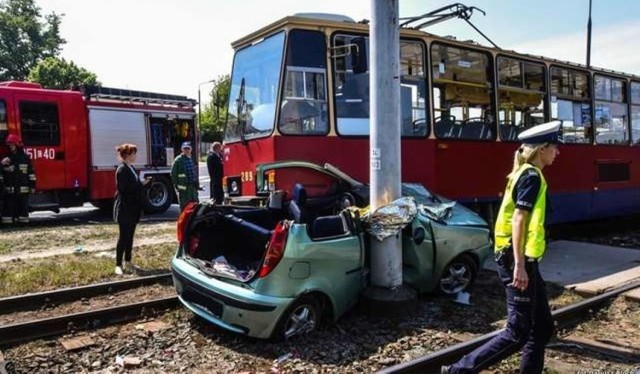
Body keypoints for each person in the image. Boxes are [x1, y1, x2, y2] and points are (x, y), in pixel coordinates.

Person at [442, 121, 562, 374]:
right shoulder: (530, 176)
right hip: (515, 259)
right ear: (542, 149)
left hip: (525, 258)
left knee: (541, 328)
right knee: (517, 332)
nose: (557, 152)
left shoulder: (525, 173)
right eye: (554, 147)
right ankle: (457, 371)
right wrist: (519, 265)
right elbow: (519, 219)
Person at [113, 143, 151, 275]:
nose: (135, 156)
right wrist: (139, 185)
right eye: (133, 153)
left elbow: (134, 186)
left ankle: (128, 261)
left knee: (130, 236)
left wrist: (142, 184)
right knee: (123, 237)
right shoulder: (122, 170)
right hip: (125, 208)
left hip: (133, 208)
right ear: (127, 155)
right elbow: (124, 189)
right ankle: (118, 264)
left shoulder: (131, 168)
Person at [1, 134, 36, 224]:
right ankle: (8, 224)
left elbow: (31, 173)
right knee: (8, 209)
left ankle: (23, 224)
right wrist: (1, 164)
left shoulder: (25, 158)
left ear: (17, 145)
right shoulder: (6, 158)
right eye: (9, 145)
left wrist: (32, 186)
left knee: (23, 208)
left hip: (23, 189)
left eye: (12, 145)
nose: (10, 147)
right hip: (10, 189)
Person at [171, 141, 199, 211]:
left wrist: (197, 185)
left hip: (192, 187)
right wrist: (177, 186)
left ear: (191, 149)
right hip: (184, 189)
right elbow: (173, 174)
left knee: (194, 206)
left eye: (188, 148)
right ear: (182, 149)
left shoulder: (191, 159)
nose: (186, 150)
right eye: (185, 148)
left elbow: (194, 173)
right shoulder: (178, 160)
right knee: (185, 207)